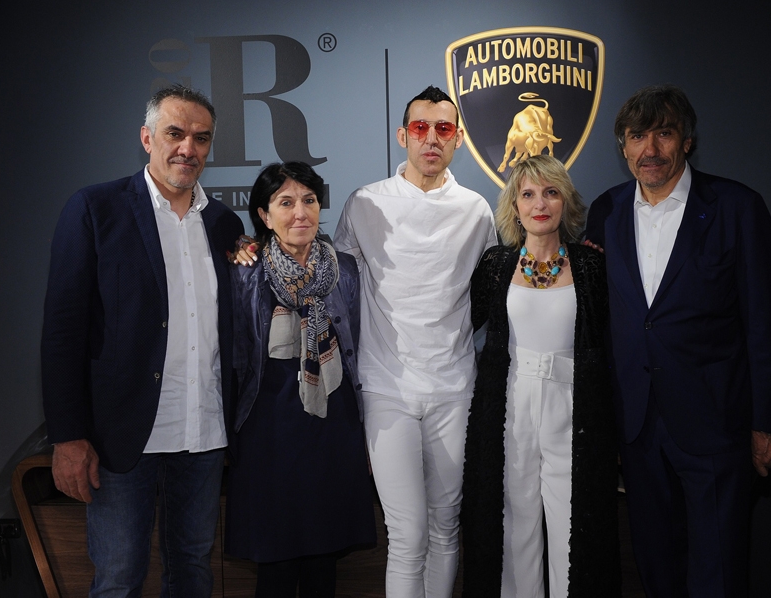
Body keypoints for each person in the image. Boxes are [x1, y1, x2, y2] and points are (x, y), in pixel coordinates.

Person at [584, 84, 771, 597]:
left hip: (715, 423)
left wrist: (767, 424)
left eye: (664, 133)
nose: (650, 149)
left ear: (688, 142)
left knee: (718, 570)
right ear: (623, 147)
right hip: (636, 427)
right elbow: (602, 323)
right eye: (637, 137)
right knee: (656, 565)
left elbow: (766, 323)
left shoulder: (737, 207)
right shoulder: (606, 212)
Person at [41, 84, 244, 597]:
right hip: (121, 436)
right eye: (175, 133)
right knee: (118, 578)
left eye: (201, 138)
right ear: (147, 138)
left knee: (193, 570)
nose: (188, 148)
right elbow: (63, 331)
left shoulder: (224, 224)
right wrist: (68, 437)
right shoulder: (95, 209)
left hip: (203, 431)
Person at [334, 86, 497, 597]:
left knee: (446, 526)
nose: (431, 139)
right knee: (408, 535)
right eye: (421, 128)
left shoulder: (477, 211)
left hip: (455, 388)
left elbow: (494, 290)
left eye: (443, 129)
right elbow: (334, 281)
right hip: (386, 388)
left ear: (458, 139)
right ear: (403, 135)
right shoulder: (365, 202)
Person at [461, 155, 621, 598]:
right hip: (511, 407)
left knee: (575, 527)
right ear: (514, 206)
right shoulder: (496, 264)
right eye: (528, 194)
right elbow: (456, 322)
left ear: (565, 201)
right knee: (514, 527)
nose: (540, 204)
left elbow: (611, 344)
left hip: (574, 411)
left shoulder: (591, 266)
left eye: (551, 192)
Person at [224, 162, 376, 597]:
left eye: (309, 200)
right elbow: (234, 355)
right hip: (268, 426)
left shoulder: (344, 269)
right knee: (275, 556)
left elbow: (357, 343)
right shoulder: (245, 270)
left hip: (333, 422)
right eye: (286, 203)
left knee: (323, 556)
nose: (300, 213)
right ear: (264, 215)